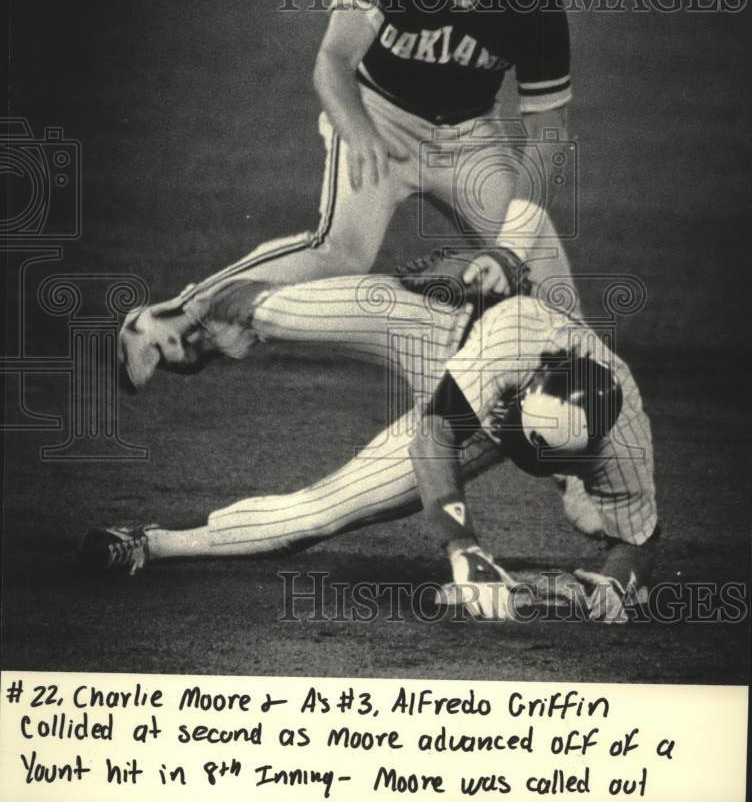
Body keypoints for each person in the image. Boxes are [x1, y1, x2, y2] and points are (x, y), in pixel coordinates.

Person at [118, 0, 573, 391]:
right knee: (341, 252)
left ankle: (573, 417)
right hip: (377, 115)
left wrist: (511, 244)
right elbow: (333, 62)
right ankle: (177, 316)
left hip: (469, 137)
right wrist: (358, 131)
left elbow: (549, 129)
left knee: (539, 264)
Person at [82, 235, 657, 624]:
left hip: (476, 413)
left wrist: (607, 589)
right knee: (274, 312)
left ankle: (149, 542)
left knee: (317, 516)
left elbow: (637, 543)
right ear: (537, 384)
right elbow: (435, 438)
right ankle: (176, 318)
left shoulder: (623, 440)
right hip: (441, 329)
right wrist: (466, 551)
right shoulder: (518, 337)